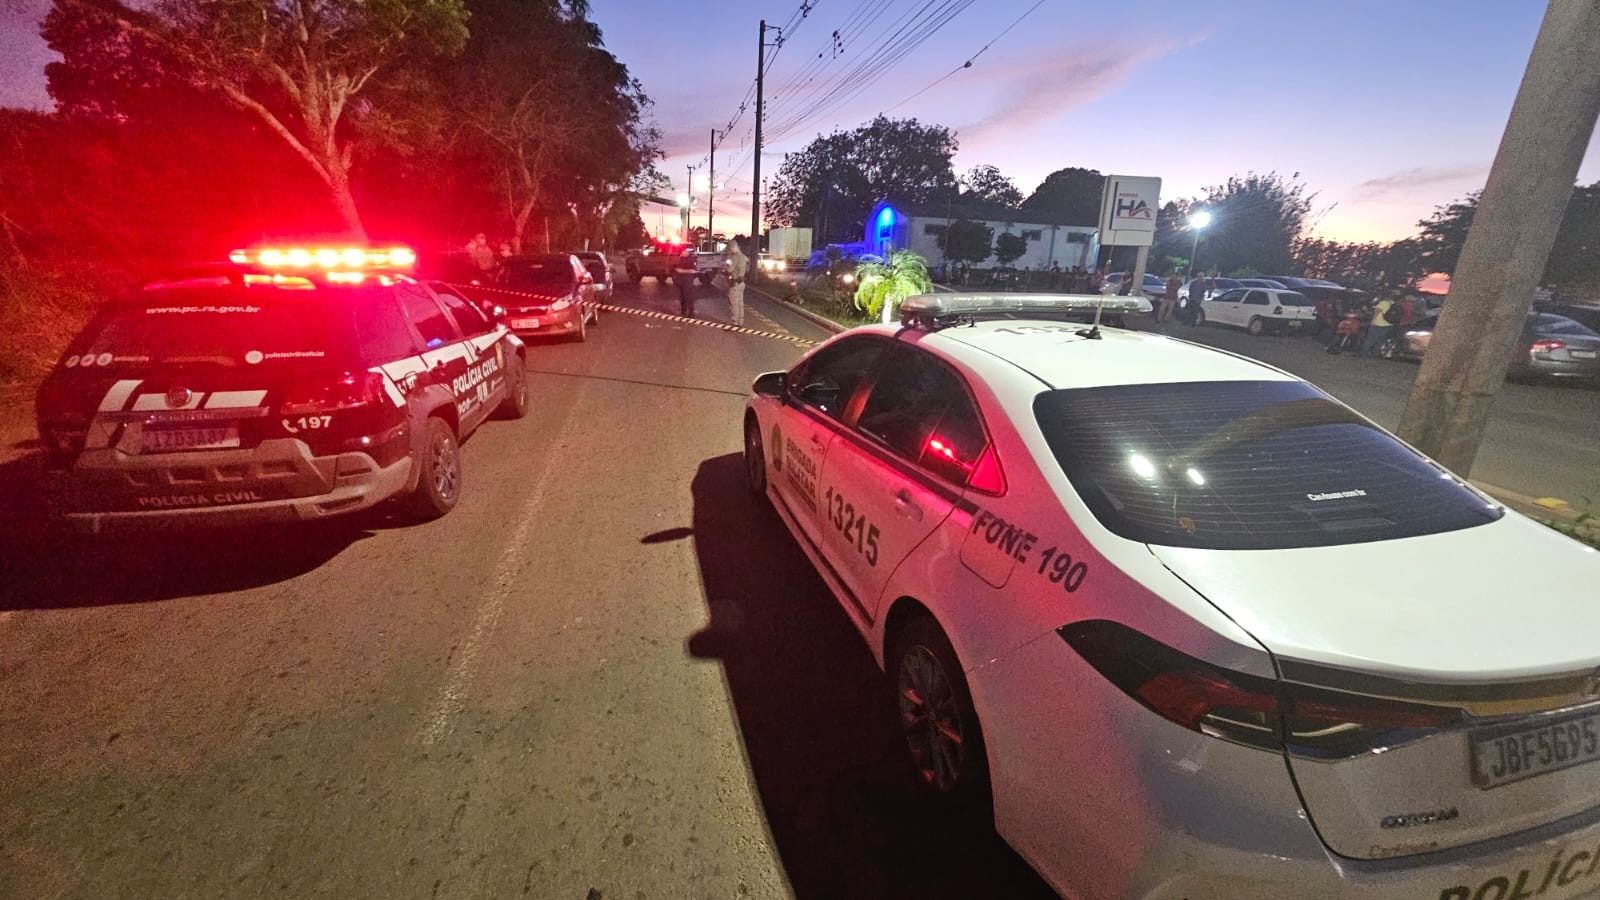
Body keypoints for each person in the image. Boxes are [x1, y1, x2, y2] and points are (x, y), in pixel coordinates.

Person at [725, 236, 750, 327]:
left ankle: (735, 322)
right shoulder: (744, 257)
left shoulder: (735, 257)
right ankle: (741, 321)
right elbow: (747, 267)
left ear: (732, 247)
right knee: (740, 302)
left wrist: (727, 263)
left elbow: (729, 269)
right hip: (742, 282)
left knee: (734, 302)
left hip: (735, 282)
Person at [672, 250, 699, 318]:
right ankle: (683, 311)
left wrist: (682, 271)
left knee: (688, 297)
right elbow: (674, 268)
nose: (681, 253)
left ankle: (691, 313)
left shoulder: (691, 259)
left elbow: (694, 271)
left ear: (687, 252)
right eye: (681, 252)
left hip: (687, 281)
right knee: (682, 297)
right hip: (681, 282)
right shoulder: (679, 259)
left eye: (683, 252)